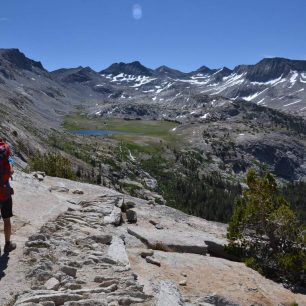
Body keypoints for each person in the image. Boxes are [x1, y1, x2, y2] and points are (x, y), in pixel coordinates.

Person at [0, 137, 16, 253]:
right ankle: (7, 244)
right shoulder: (5, 152)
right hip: (4, 191)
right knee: (6, 220)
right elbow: (10, 171)